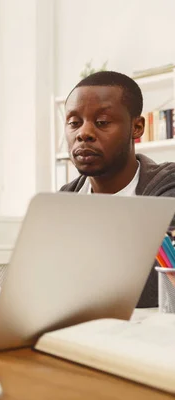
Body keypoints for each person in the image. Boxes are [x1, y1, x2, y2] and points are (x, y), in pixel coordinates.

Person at [60, 70, 175, 307]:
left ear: (137, 127)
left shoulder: (167, 187)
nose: (84, 134)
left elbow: (154, 288)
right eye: (74, 123)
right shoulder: (64, 198)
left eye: (102, 122)